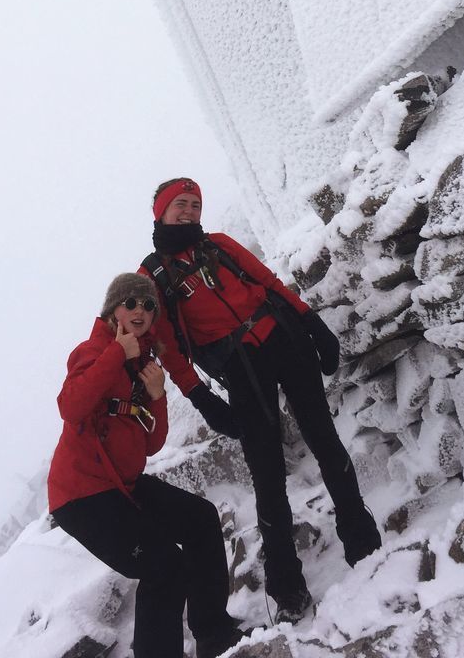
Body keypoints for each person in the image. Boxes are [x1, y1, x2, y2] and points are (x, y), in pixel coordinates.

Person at [140, 178, 380, 625]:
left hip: (282, 336)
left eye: (195, 204)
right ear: (161, 212)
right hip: (240, 368)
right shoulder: (152, 276)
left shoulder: (221, 245)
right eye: (180, 205)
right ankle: (286, 585)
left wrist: (311, 321)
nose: (190, 211)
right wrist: (199, 395)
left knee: (325, 440)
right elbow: (168, 347)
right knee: (266, 473)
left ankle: (361, 538)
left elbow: (267, 281)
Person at [48, 271, 247, 658]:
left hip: (123, 485)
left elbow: (152, 445)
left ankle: (212, 631)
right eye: (131, 303)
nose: (141, 309)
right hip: (81, 496)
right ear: (112, 312)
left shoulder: (143, 364)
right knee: (164, 566)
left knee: (201, 518)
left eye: (149, 305)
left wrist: (157, 396)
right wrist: (116, 354)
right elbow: (70, 407)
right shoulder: (91, 352)